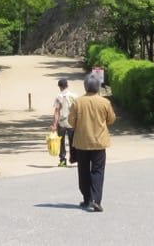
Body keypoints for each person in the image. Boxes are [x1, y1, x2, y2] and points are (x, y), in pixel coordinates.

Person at [67, 73, 115, 212]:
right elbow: (111, 119)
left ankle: (87, 198)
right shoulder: (104, 102)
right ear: (98, 87)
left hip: (82, 141)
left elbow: (71, 122)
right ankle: (95, 200)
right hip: (99, 141)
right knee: (98, 170)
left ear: (85, 86)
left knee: (83, 171)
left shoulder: (77, 102)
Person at [50, 78, 76, 167]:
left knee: (61, 142)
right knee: (73, 141)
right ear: (67, 85)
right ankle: (74, 158)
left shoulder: (58, 97)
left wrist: (54, 124)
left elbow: (56, 111)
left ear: (59, 86)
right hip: (71, 122)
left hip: (61, 122)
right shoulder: (73, 96)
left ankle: (62, 160)